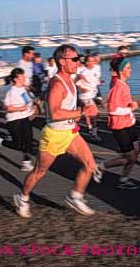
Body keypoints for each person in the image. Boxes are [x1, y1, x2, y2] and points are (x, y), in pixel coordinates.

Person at [14, 44, 99, 218]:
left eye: (79, 58)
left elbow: (68, 109)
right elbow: (54, 113)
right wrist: (82, 112)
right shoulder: (57, 84)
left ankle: (75, 196)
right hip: (53, 135)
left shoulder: (71, 81)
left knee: (90, 165)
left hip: (69, 132)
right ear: (62, 62)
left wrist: (79, 116)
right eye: (74, 59)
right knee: (39, 171)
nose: (78, 62)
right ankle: (22, 198)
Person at [93, 56, 140, 189]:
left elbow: (125, 105)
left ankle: (124, 179)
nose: (131, 70)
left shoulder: (124, 85)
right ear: (121, 70)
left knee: (136, 152)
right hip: (119, 126)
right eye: (128, 68)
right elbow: (113, 110)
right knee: (129, 157)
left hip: (128, 123)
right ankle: (101, 167)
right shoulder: (118, 86)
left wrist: (136, 105)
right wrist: (134, 107)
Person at [4, 68, 37, 172]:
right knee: (18, 145)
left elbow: (28, 102)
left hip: (25, 118)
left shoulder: (24, 89)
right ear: (15, 79)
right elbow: (7, 108)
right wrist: (20, 108)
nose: (24, 78)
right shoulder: (11, 92)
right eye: (21, 77)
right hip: (14, 119)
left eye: (23, 76)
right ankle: (1, 140)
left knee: (28, 141)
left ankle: (26, 164)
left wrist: (34, 108)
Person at [76, 55, 102, 143]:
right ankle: (93, 134)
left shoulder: (95, 69)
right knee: (94, 114)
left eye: (93, 61)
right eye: (90, 61)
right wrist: (82, 88)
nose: (92, 63)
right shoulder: (82, 71)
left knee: (79, 116)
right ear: (86, 62)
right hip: (85, 96)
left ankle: (71, 129)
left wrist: (99, 82)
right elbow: (75, 82)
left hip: (92, 95)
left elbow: (95, 80)